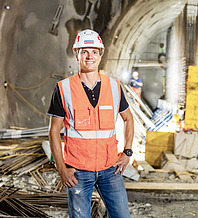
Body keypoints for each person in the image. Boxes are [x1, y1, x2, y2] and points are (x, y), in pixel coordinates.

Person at [47, 29, 134, 218]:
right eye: (84, 51)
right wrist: (62, 169)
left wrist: (127, 152)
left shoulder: (114, 86)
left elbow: (128, 119)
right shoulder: (63, 89)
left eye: (94, 51)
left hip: (110, 168)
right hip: (78, 172)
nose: (90, 56)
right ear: (76, 54)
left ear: (100, 55)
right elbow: (54, 131)